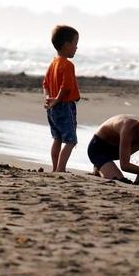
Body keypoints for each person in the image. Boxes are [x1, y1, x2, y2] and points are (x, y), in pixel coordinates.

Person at [87, 104, 139, 184]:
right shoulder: (129, 127)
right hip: (98, 148)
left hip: (118, 150)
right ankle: (100, 166)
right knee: (120, 181)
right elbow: (124, 166)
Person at [42, 25, 80, 173]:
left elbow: (45, 83)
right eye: (75, 44)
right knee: (70, 140)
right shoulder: (67, 65)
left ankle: (55, 168)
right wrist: (57, 99)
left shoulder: (53, 63)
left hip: (52, 107)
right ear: (66, 45)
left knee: (57, 138)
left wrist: (48, 98)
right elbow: (66, 87)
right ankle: (61, 169)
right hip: (64, 105)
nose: (76, 48)